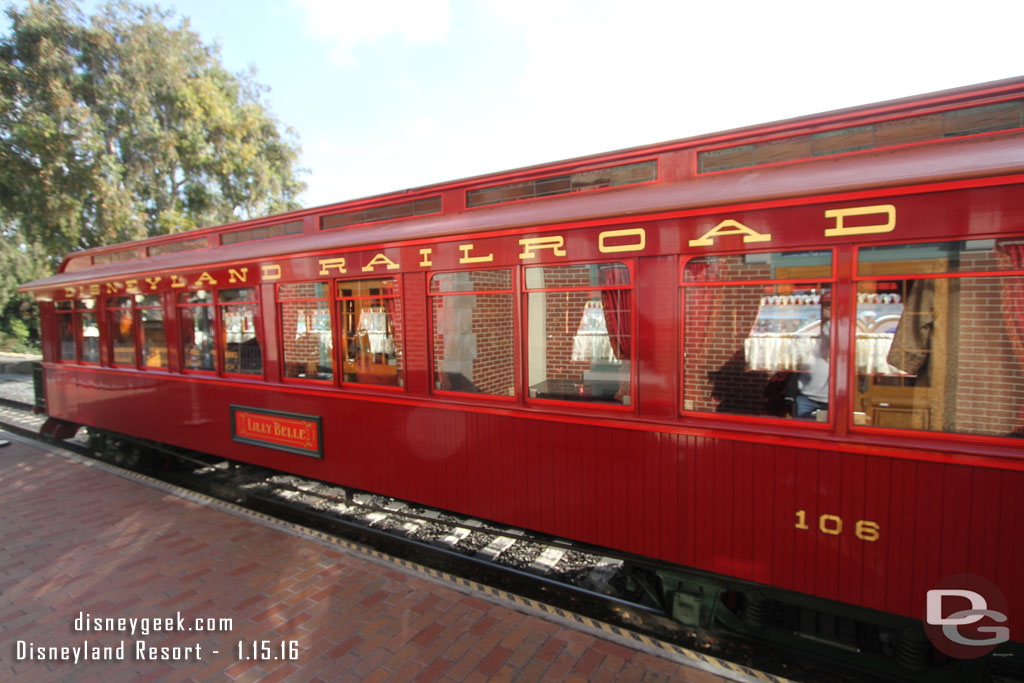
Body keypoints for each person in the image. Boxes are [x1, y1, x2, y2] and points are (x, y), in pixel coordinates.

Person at [795, 294, 830, 419]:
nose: (826, 309)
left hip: (831, 398)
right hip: (807, 395)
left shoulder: (838, 327)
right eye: (824, 305)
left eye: (830, 305)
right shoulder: (811, 326)